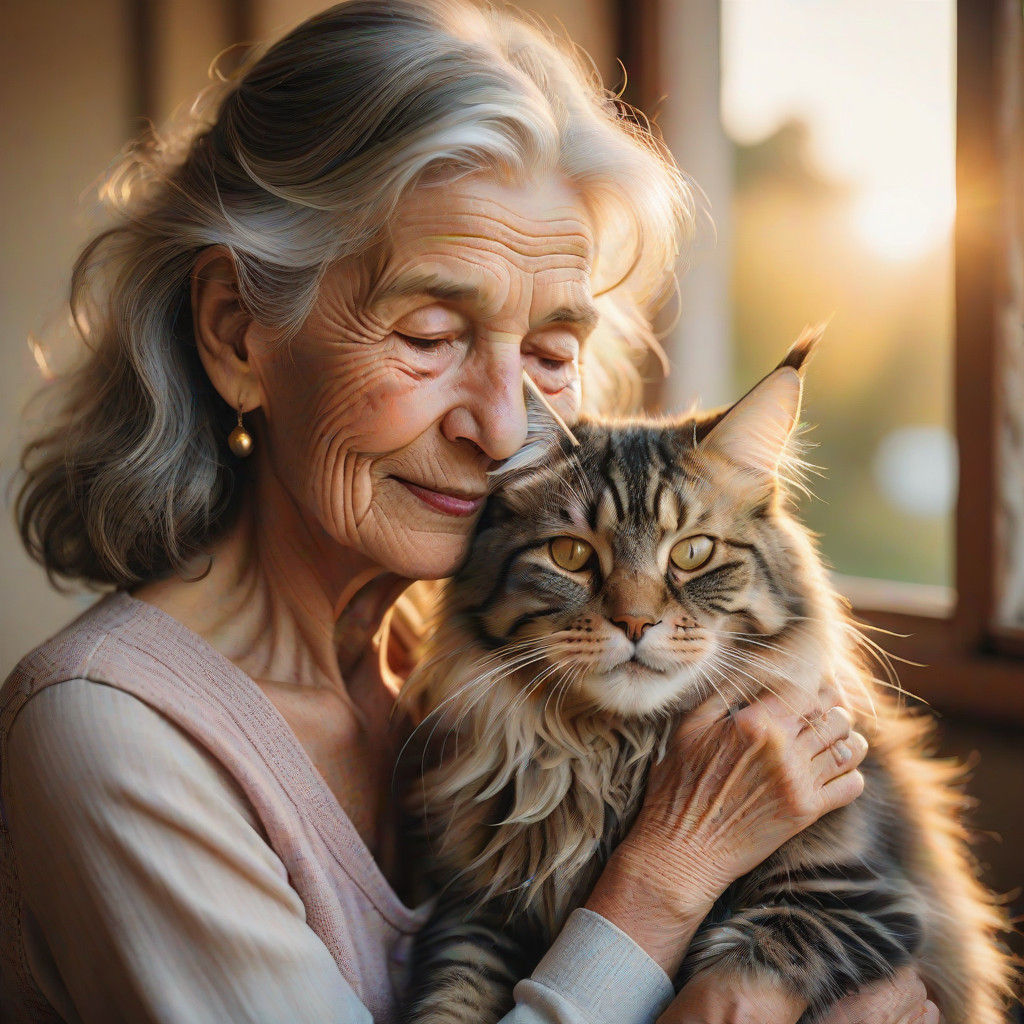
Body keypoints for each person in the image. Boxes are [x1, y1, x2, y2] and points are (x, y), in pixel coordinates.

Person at [1, 2, 941, 1022]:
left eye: (547, 354)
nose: (502, 429)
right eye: (432, 332)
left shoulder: (460, 655)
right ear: (237, 332)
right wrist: (668, 874)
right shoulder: (110, 734)